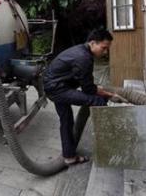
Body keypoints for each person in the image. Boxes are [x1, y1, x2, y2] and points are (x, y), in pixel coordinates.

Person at [43, 28, 115, 166]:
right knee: (97, 100)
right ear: (93, 43)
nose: (105, 52)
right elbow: (88, 89)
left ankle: (69, 156)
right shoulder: (84, 58)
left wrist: (100, 90)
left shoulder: (82, 51)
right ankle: (110, 144)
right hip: (58, 89)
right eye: (104, 48)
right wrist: (107, 94)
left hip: (53, 85)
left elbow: (86, 83)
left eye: (107, 49)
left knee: (67, 120)